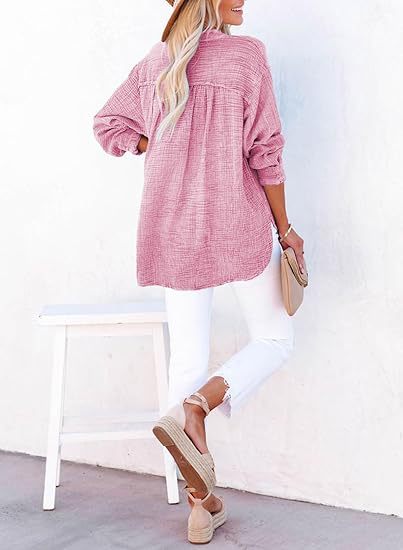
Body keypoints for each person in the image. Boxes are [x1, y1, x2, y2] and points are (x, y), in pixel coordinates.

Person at [93, 0, 305, 544]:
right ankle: (198, 406)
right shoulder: (246, 58)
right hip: (238, 226)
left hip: (175, 230)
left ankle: (200, 507)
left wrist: (158, 144)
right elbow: (266, 153)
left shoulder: (157, 62)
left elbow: (108, 125)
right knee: (275, 338)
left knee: (187, 356)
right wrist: (286, 230)